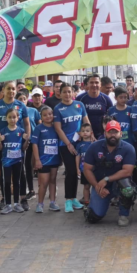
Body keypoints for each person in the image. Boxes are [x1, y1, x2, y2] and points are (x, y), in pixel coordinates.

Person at [0, 81, 31, 210]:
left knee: (20, 172)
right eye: (9, 89)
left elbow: (27, 124)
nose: (11, 91)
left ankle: (22, 199)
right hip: (2, 145)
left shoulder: (20, 105)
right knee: (4, 172)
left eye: (13, 89)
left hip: (18, 143)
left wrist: (27, 139)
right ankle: (5, 200)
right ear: (3, 91)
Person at [83, 121, 137, 226]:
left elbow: (128, 171)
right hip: (100, 184)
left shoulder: (128, 148)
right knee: (94, 217)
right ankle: (91, 208)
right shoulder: (94, 147)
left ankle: (123, 215)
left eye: (115, 132)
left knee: (128, 188)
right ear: (105, 133)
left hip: (119, 184)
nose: (113, 135)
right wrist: (97, 186)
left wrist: (106, 179)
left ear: (120, 133)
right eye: (110, 132)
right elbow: (87, 169)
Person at [53, 84, 90, 213]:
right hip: (65, 145)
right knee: (71, 171)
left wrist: (90, 136)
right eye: (64, 92)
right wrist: (68, 143)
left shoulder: (79, 105)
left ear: (73, 93)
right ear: (60, 93)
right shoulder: (58, 108)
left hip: (80, 143)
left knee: (77, 171)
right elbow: (58, 128)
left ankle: (74, 198)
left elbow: (86, 122)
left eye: (69, 92)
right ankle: (68, 200)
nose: (67, 94)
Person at [0, 108, 28, 214]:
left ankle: (17, 204)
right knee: (6, 182)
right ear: (6, 118)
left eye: (14, 117)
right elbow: (0, 148)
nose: (12, 119)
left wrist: (26, 140)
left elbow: (24, 148)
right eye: (10, 117)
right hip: (6, 161)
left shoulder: (21, 131)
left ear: (18, 118)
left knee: (17, 182)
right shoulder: (3, 131)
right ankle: (8, 204)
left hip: (18, 160)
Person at [31, 106, 61, 213]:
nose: (48, 116)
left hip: (55, 159)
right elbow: (34, 144)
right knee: (44, 183)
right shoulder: (39, 128)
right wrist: (37, 160)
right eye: (45, 115)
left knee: (53, 180)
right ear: (41, 117)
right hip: (43, 161)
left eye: (50, 114)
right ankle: (40, 204)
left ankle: (53, 202)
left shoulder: (56, 127)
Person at [76, 73, 113, 138]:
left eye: (96, 82)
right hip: (85, 135)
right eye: (91, 82)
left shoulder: (106, 99)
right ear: (87, 84)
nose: (94, 85)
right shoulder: (80, 99)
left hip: (102, 135)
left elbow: (111, 117)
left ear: (100, 84)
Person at [74, 123, 94, 206]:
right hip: (84, 170)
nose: (85, 132)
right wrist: (77, 168)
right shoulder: (79, 145)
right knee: (86, 186)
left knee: (95, 186)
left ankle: (95, 202)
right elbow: (77, 157)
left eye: (87, 131)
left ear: (91, 132)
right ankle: (86, 202)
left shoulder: (94, 144)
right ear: (80, 133)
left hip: (94, 170)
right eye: (83, 131)